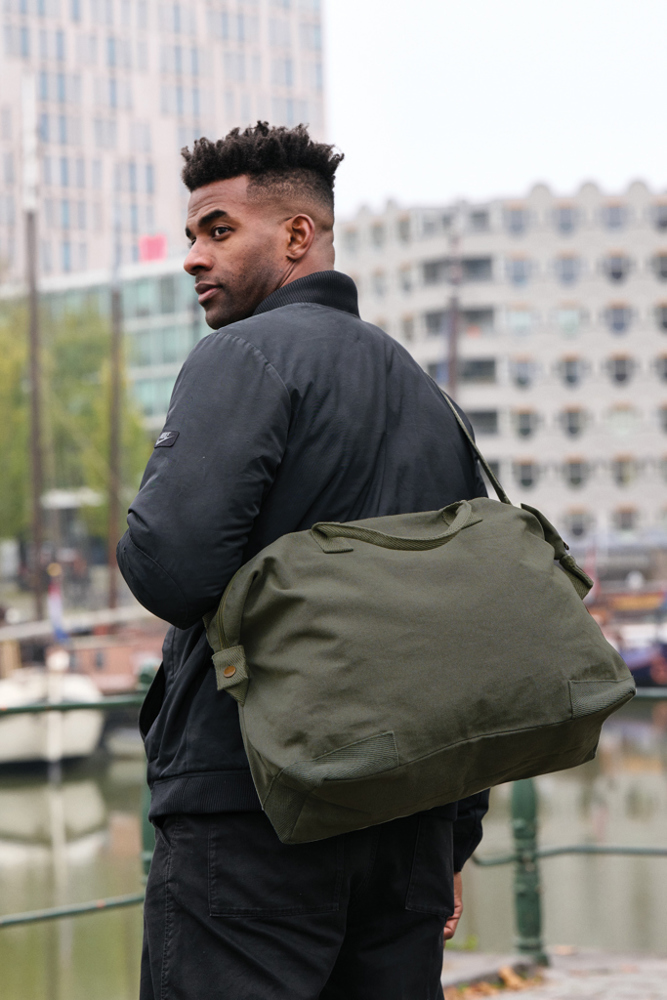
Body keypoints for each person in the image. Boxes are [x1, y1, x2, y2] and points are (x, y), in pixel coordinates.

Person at [118, 121, 489, 1000]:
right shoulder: (425, 392)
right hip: (407, 823)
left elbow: (169, 571)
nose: (193, 257)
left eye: (218, 230)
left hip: (254, 817)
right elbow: (466, 622)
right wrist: (452, 838)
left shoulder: (239, 356)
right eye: (192, 235)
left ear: (296, 235)